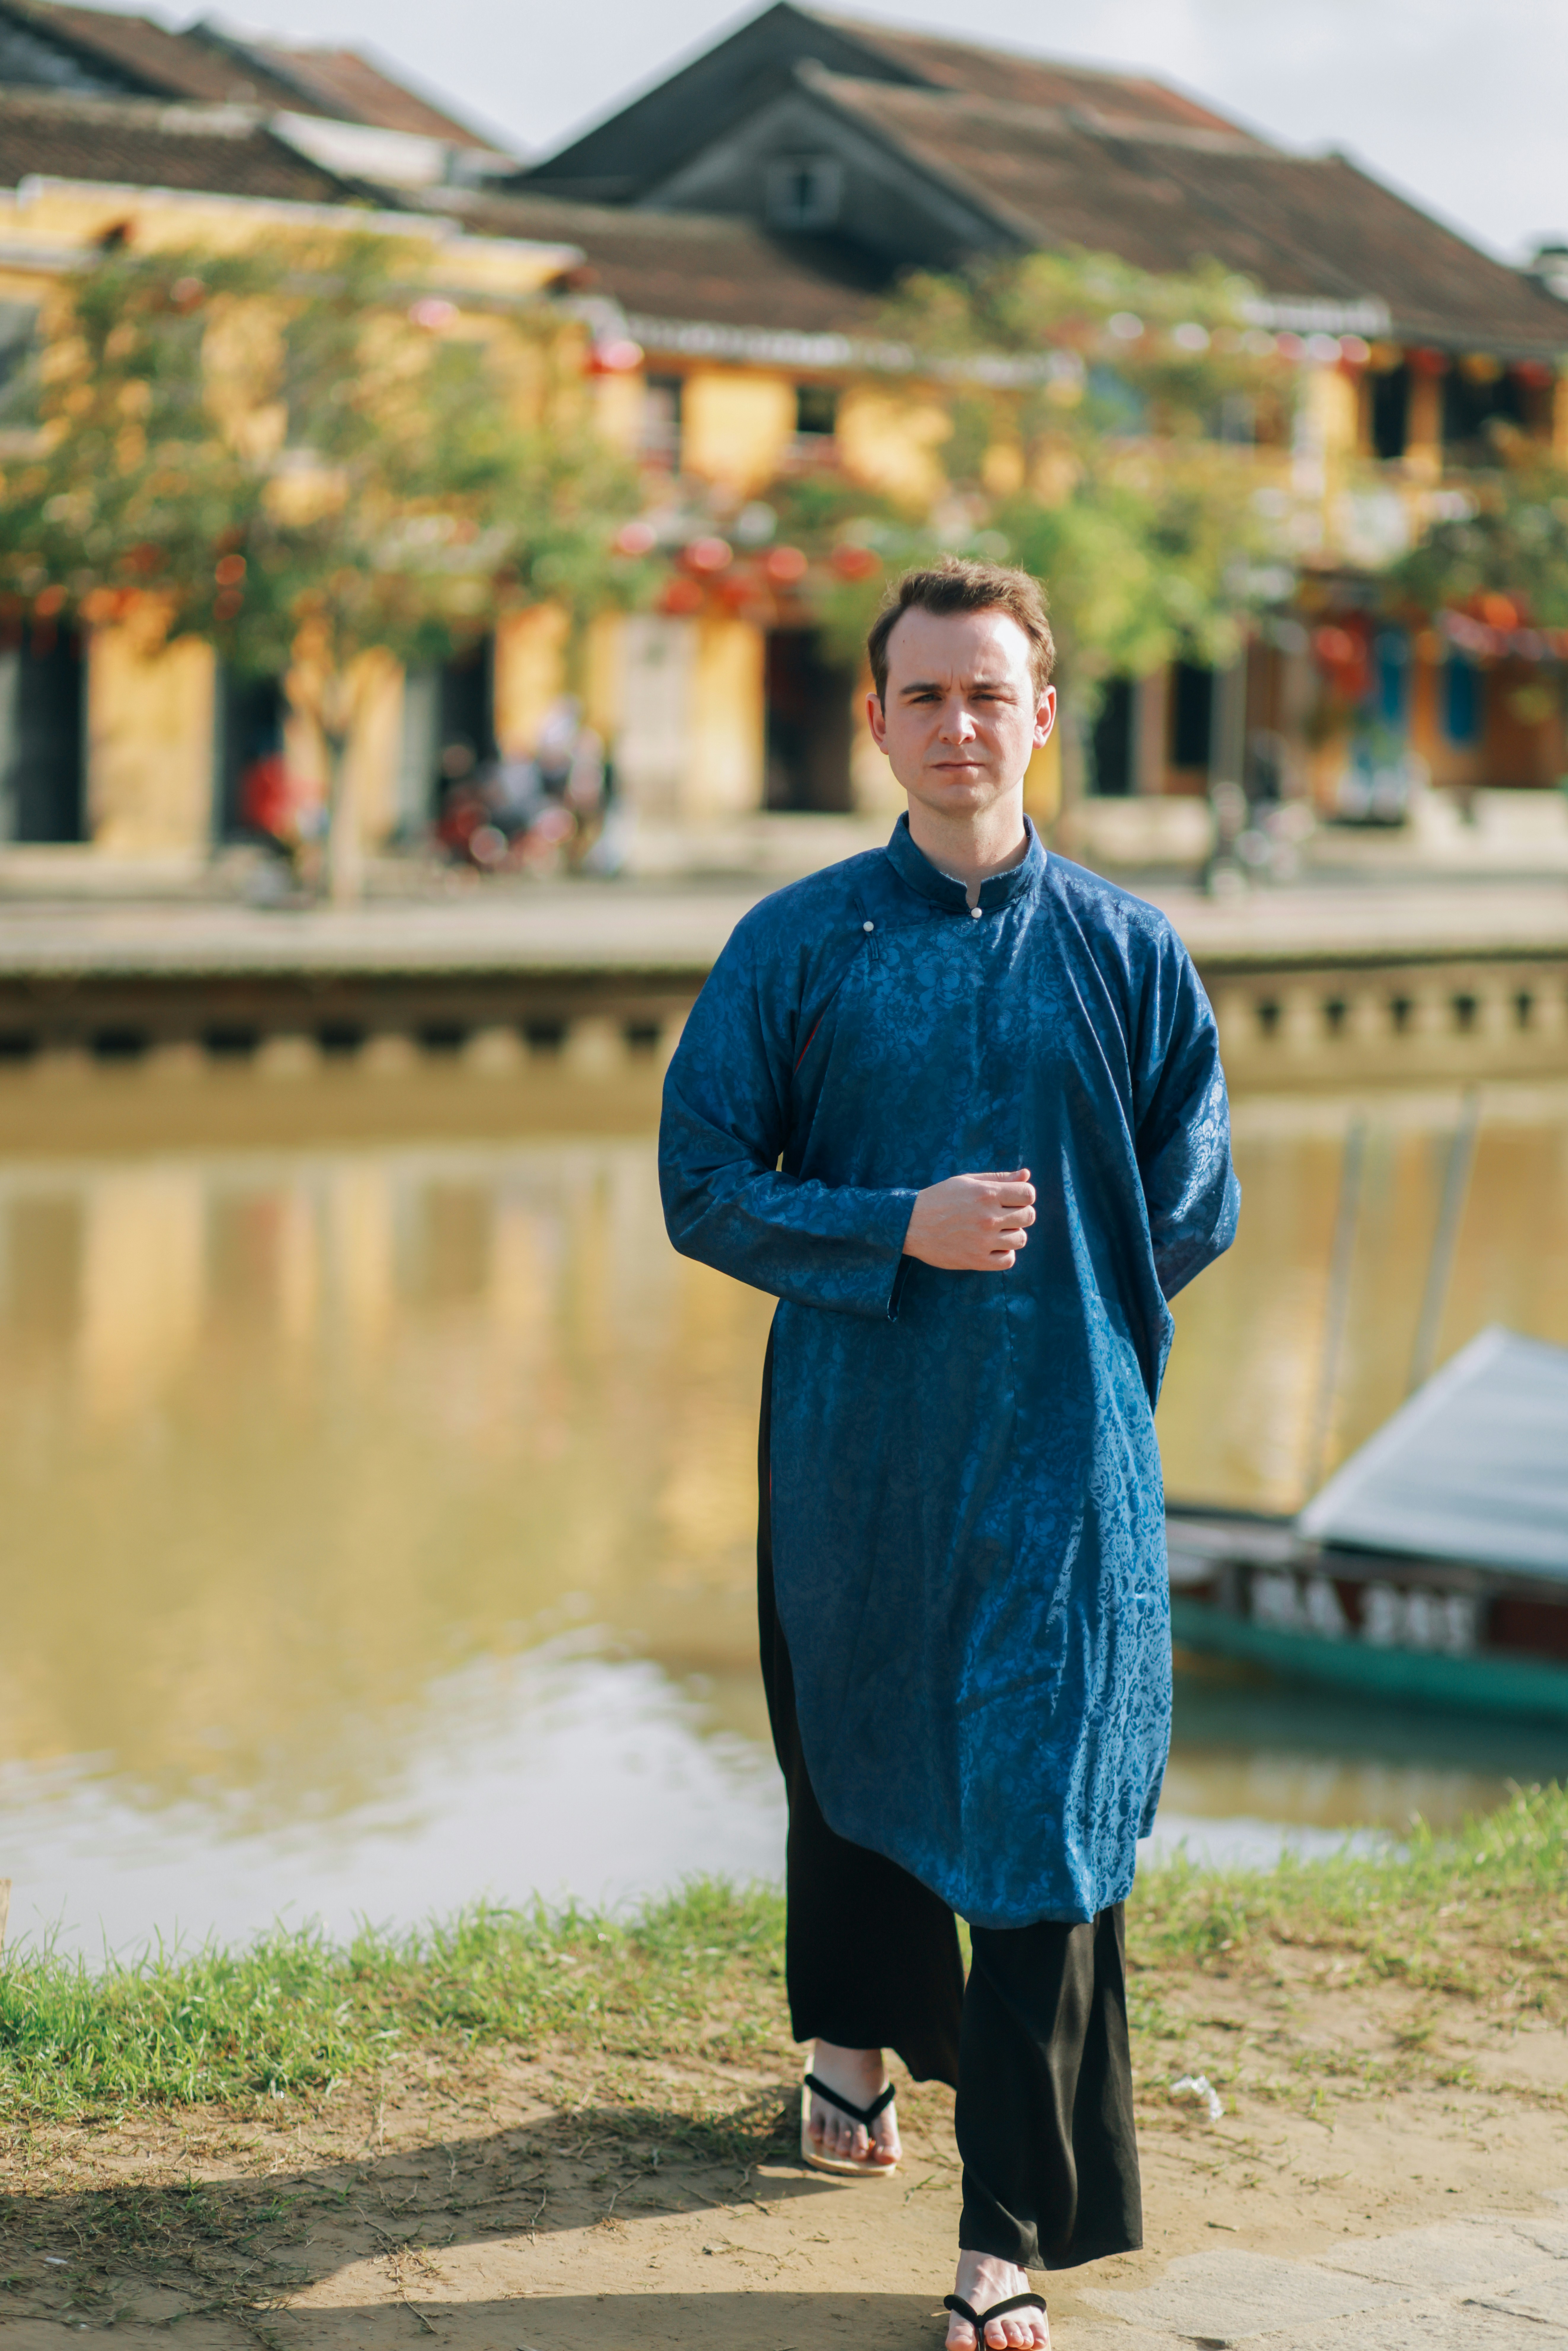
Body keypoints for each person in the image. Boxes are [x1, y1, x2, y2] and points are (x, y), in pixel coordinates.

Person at [658, 559, 1239, 2351]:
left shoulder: (1134, 952)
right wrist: (891, 1233)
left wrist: (1065, 1338)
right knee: (858, 1753)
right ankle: (848, 2062)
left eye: (991, 692)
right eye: (926, 695)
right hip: (857, 1450)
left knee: (1050, 1811)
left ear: (1043, 715)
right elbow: (703, 1185)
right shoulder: (800, 945)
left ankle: (1011, 2226)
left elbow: (1193, 1200)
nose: (960, 724)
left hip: (1069, 1461)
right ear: (878, 721)